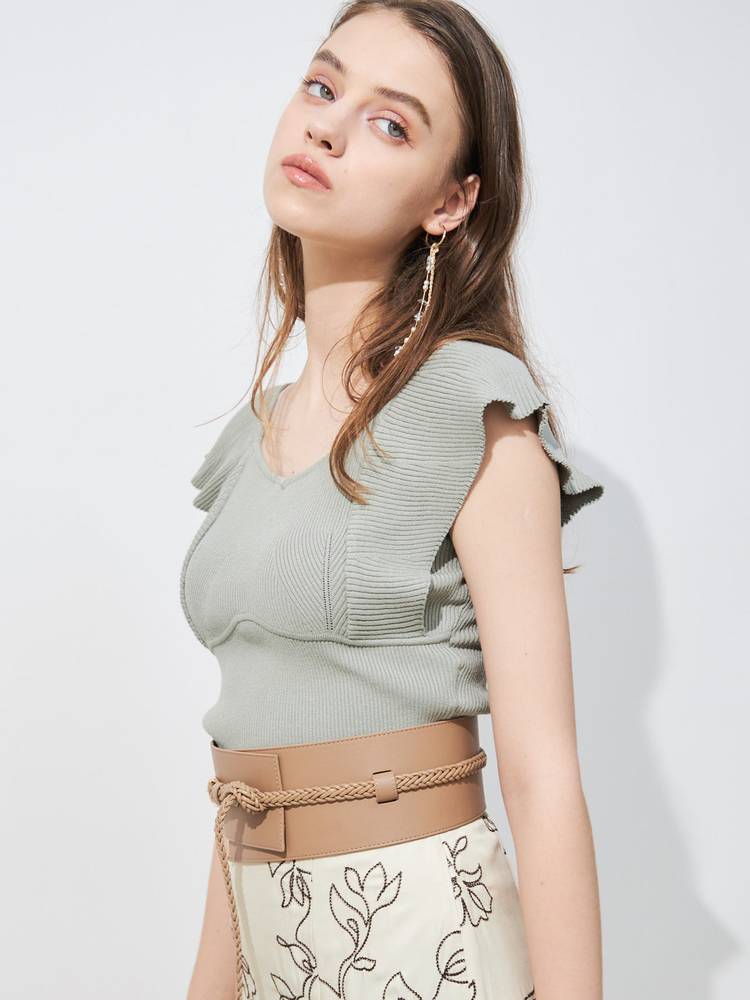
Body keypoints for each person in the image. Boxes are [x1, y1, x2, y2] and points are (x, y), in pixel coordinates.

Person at [182, 2, 605, 999]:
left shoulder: (475, 407)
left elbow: (543, 775)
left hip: (425, 944)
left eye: (390, 122)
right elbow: (244, 783)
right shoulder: (248, 441)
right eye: (322, 86)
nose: (326, 126)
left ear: (451, 202)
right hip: (270, 946)